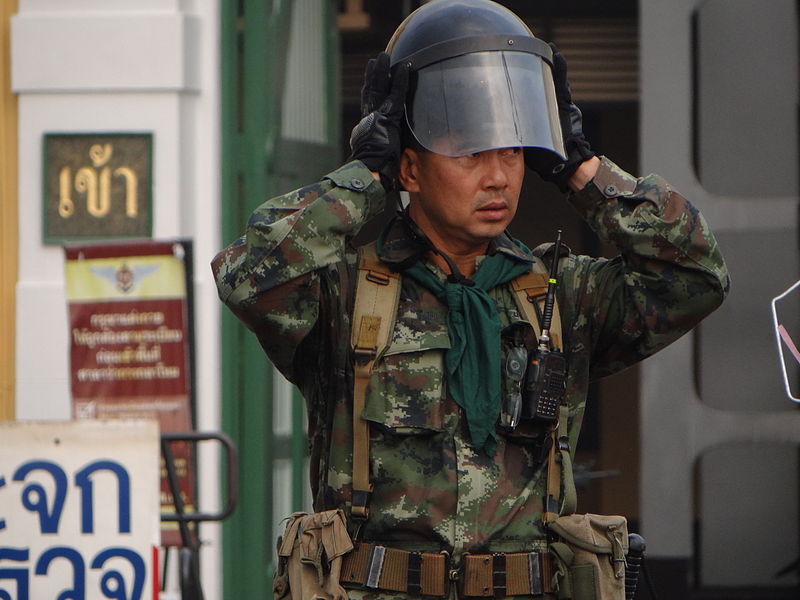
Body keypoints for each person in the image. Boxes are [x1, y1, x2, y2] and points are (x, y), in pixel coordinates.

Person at [212, 1, 729, 598]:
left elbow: (697, 275)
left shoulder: (562, 296)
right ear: (410, 169)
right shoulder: (345, 296)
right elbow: (251, 274)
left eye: (511, 151)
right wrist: (364, 175)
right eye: (470, 153)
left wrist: (584, 171)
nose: (498, 177)